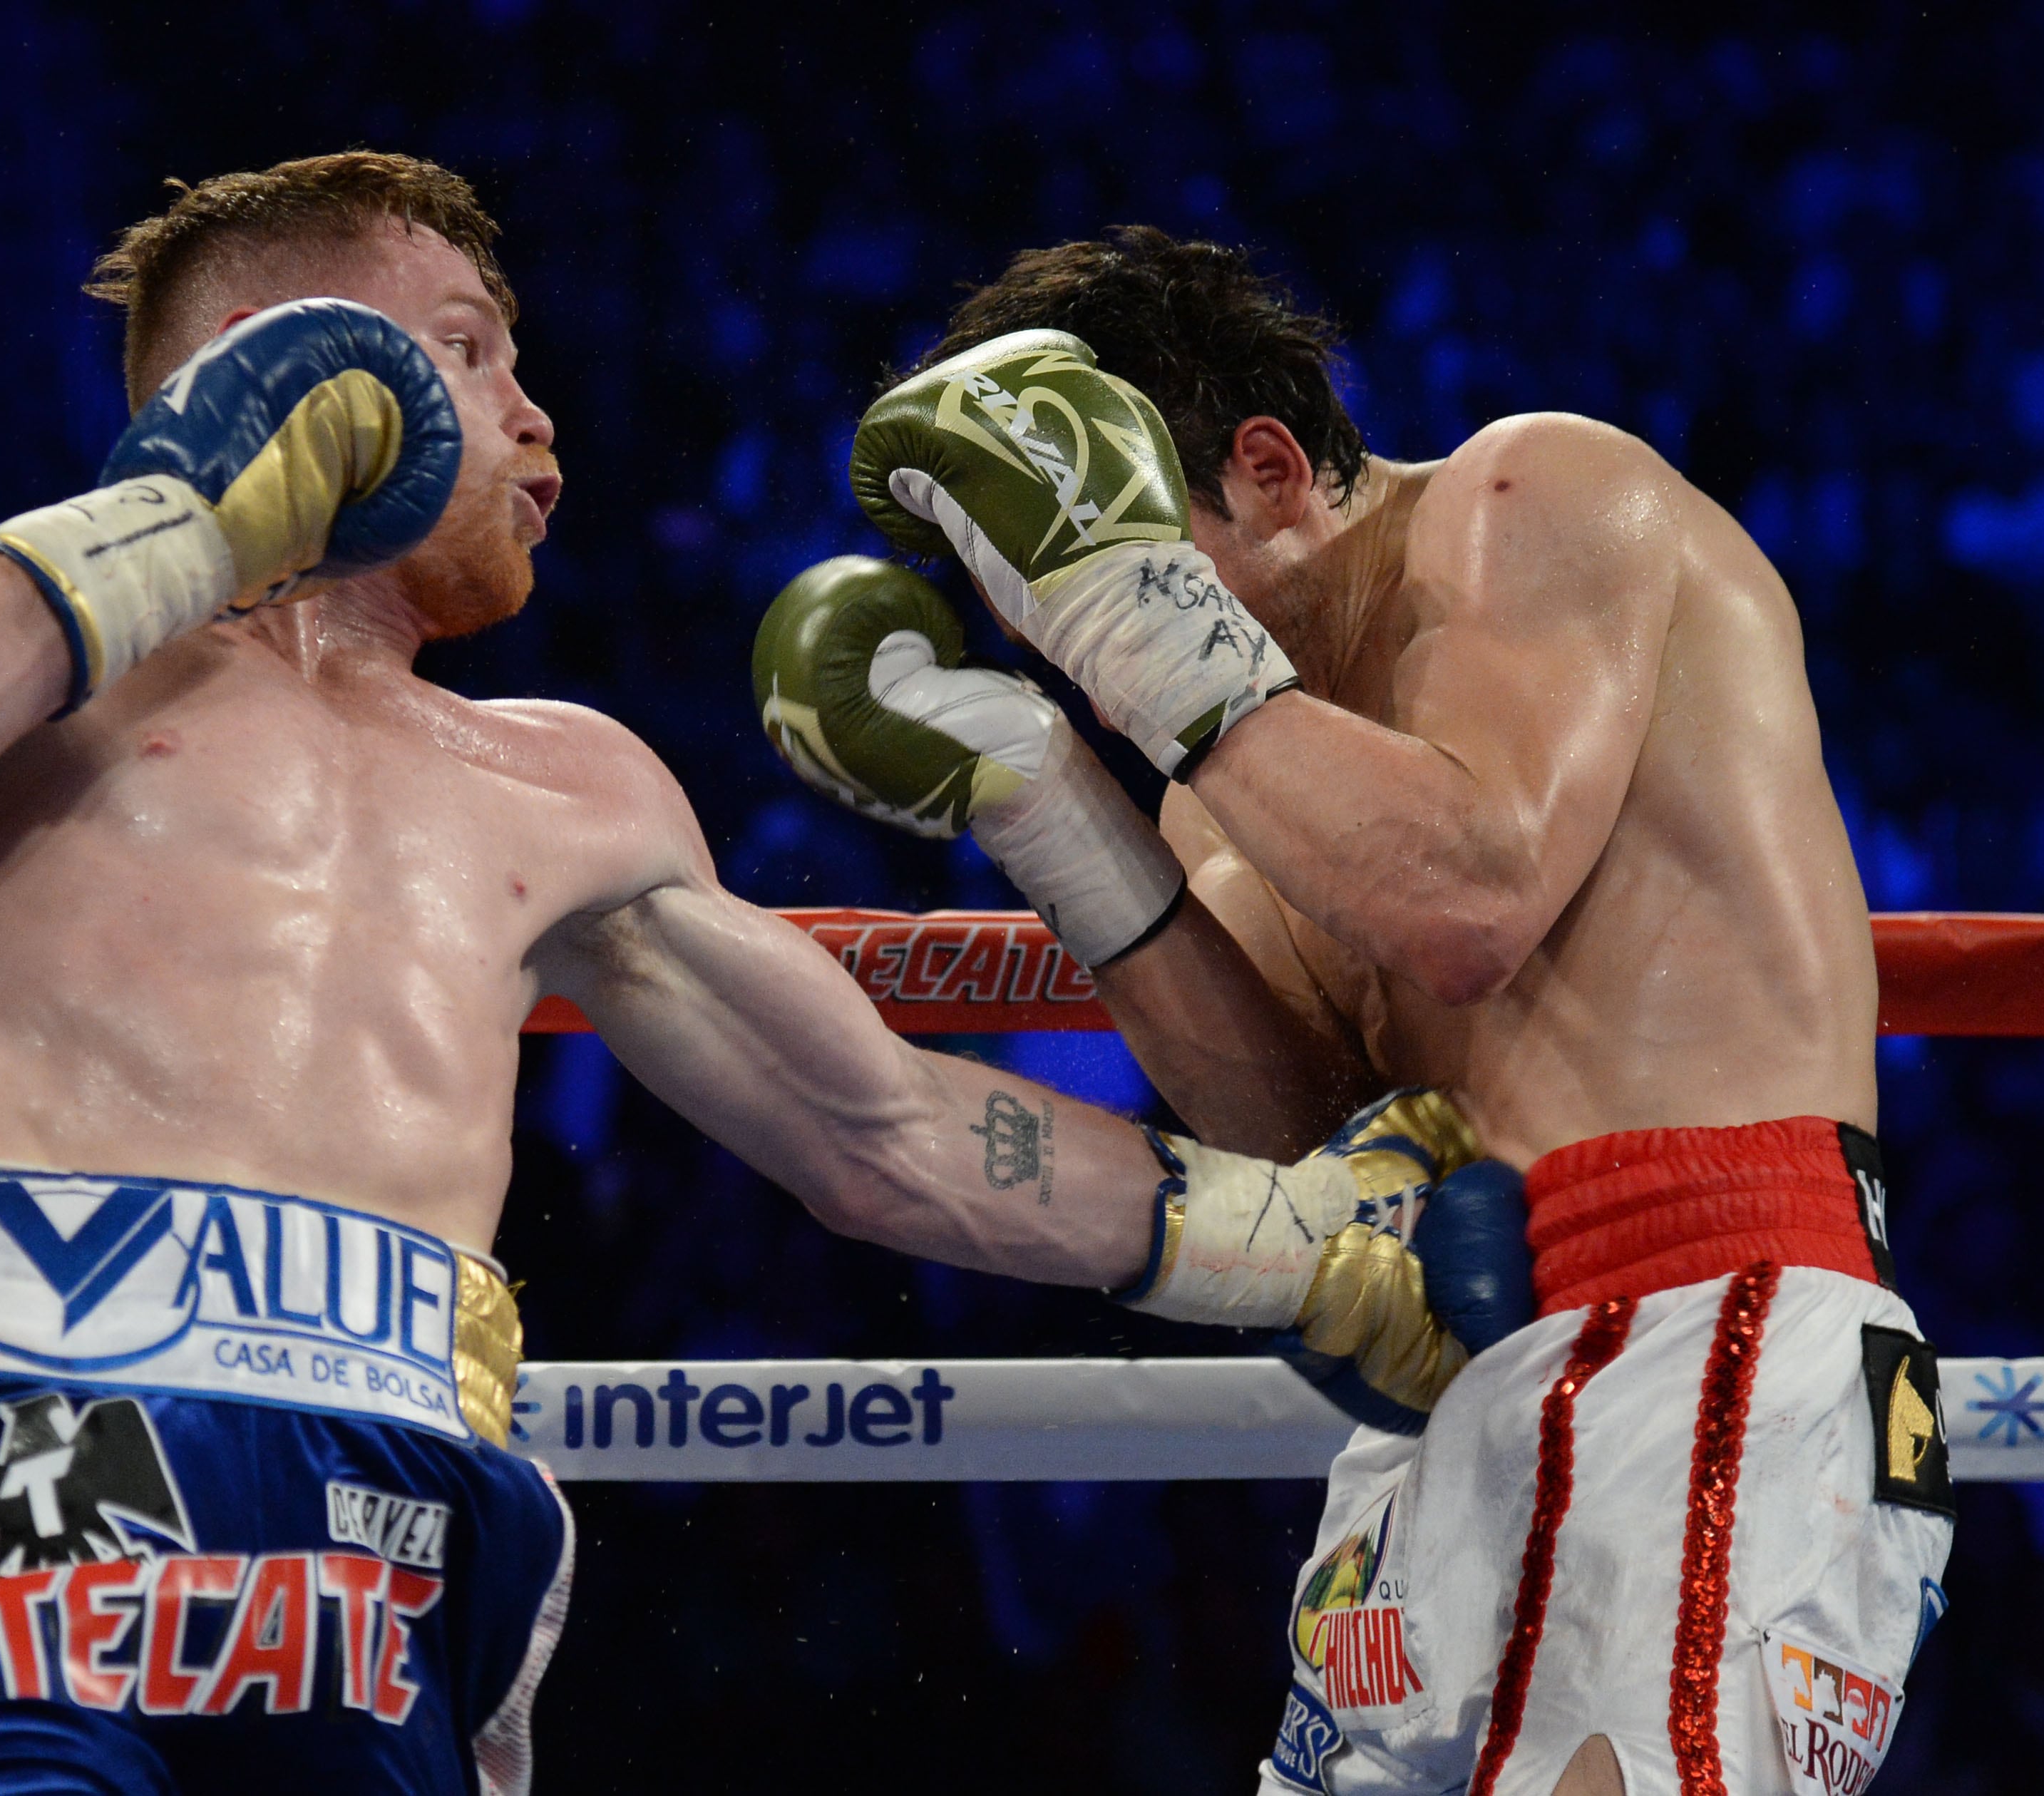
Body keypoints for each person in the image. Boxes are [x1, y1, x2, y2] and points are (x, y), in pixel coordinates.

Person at [0, 160, 1521, 1796]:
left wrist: (1310, 1246)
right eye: (474, 351)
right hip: (19, 1447)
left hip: (389, 1500)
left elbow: (877, 1128)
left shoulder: (560, 777)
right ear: (291, 356)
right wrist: (192, 503)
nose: (539, 419)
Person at [761, 227, 1948, 1796]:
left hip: (1700, 1315)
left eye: (1102, 568)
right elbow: (1300, 1147)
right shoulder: (1229, 778)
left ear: (1267, 468)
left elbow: (1466, 901)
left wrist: (1142, 640)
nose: (1079, 639)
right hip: (1439, 1381)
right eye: (1040, 604)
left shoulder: (1533, 496)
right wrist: (1047, 803)